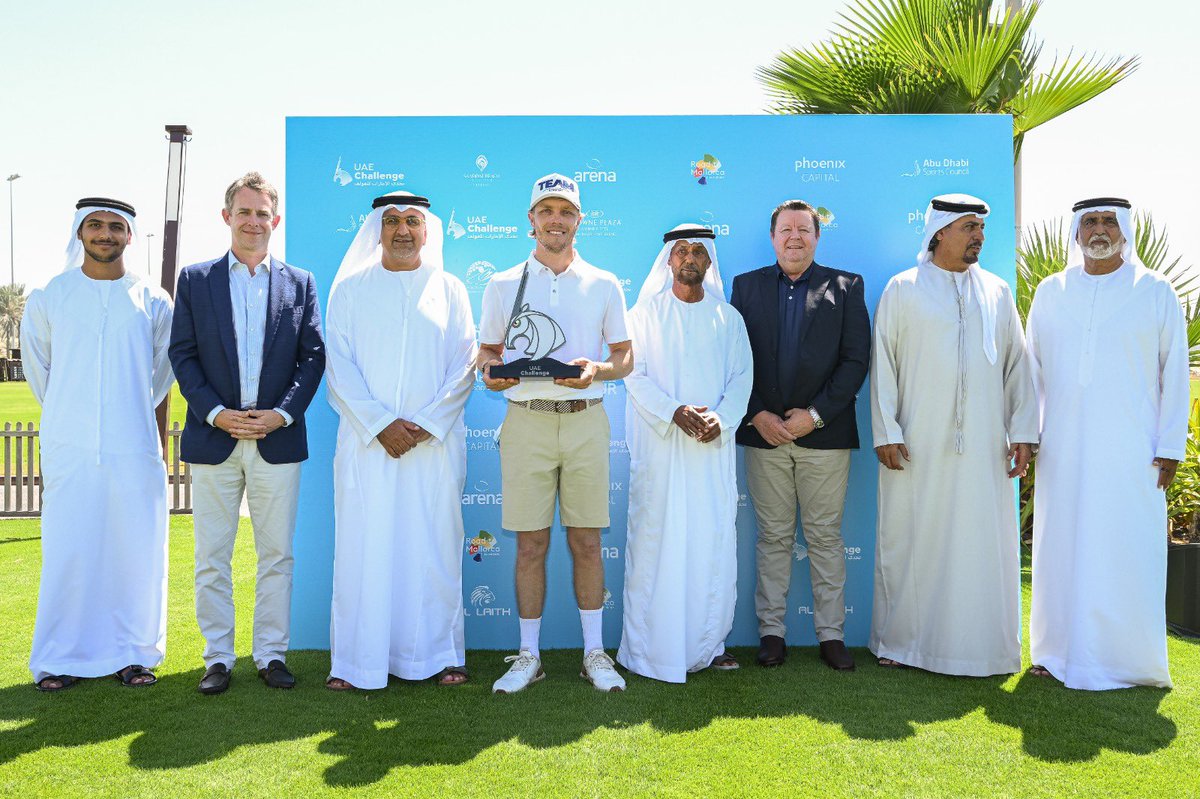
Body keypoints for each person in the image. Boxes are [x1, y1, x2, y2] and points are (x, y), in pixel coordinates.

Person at [169, 172, 326, 694]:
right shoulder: (195, 280)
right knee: (212, 555)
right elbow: (183, 355)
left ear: (274, 220)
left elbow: (312, 358)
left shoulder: (299, 282)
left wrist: (280, 414)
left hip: (276, 438)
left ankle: (270, 655)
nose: (254, 221)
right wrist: (216, 412)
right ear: (227, 216)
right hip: (215, 437)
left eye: (263, 213)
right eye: (245, 211)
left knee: (276, 554)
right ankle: (218, 658)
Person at [869, 193, 1038, 676]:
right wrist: (887, 430)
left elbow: (1016, 367)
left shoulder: (998, 292)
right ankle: (902, 645)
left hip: (984, 446)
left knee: (981, 543)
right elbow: (885, 365)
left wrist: (1022, 431)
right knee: (912, 537)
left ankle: (985, 649)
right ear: (939, 231)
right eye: (968, 227)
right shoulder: (903, 289)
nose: (978, 236)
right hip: (915, 444)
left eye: (981, 228)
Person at [477, 173, 633, 693]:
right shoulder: (501, 283)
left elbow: (624, 358)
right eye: (546, 211)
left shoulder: (605, 283)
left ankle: (595, 653)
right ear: (531, 221)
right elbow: (489, 353)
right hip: (526, 421)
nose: (556, 221)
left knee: (588, 542)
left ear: (579, 220)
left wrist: (597, 372)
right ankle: (528, 656)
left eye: (565, 211)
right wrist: (489, 371)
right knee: (529, 545)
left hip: (587, 418)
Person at [1027, 197, 1189, 690]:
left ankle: (1127, 662)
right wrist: (1026, 436)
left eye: (1110, 220)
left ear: (1126, 229)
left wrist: (1169, 445)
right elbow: (1032, 373)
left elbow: (1175, 372)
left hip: (1133, 449)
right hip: (1063, 449)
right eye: (1090, 221)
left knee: (1125, 548)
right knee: (1061, 547)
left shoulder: (1155, 290)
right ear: (1076, 232)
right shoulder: (1051, 291)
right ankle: (1054, 653)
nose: (1100, 229)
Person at [324, 192, 476, 690]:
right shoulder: (348, 290)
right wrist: (380, 424)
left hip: (433, 447)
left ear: (427, 230)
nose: (403, 230)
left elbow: (465, 365)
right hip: (368, 448)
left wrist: (428, 423)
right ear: (377, 230)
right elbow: (338, 370)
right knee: (364, 550)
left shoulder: (451, 289)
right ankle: (356, 663)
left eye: (413, 221)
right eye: (391, 222)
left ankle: (438, 655)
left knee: (433, 547)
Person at [21, 198, 173, 692]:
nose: (105, 234)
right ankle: (59, 657)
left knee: (135, 550)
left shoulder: (153, 298)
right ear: (80, 233)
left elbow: (160, 374)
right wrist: (77, 416)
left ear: (130, 235)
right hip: (70, 446)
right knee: (70, 550)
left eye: (115, 226)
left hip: (135, 444)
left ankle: (133, 654)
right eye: (95, 226)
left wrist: (123, 412)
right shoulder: (50, 295)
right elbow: (40, 370)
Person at [730, 199, 870, 671]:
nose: (795, 237)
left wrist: (814, 415)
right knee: (772, 538)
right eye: (785, 229)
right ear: (773, 238)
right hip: (764, 436)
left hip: (824, 437)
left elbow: (856, 362)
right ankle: (772, 634)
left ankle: (831, 635)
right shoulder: (745, 287)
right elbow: (732, 362)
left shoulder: (847, 287)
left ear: (817, 237)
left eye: (804, 230)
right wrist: (757, 416)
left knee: (825, 537)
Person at [616, 224, 752, 682]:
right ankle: (649, 650)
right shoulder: (642, 316)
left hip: (711, 453)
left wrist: (721, 418)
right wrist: (674, 411)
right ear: (668, 261)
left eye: (698, 251)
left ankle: (710, 644)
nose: (690, 258)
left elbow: (741, 380)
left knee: (710, 545)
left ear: (709, 262)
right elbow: (634, 377)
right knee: (657, 544)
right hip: (661, 452)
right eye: (681, 252)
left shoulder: (728, 319)